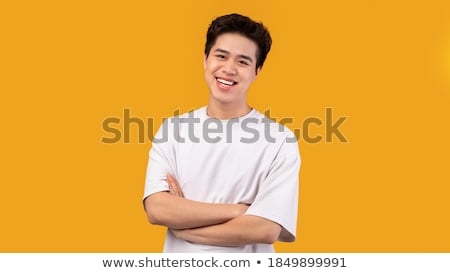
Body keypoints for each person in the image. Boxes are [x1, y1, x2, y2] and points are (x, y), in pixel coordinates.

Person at [143, 13, 301, 253]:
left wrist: (184, 226)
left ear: (257, 70)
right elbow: (157, 209)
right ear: (205, 60)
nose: (229, 69)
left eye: (243, 62)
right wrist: (239, 211)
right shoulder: (172, 131)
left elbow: (266, 229)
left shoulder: (280, 140)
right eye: (221, 56)